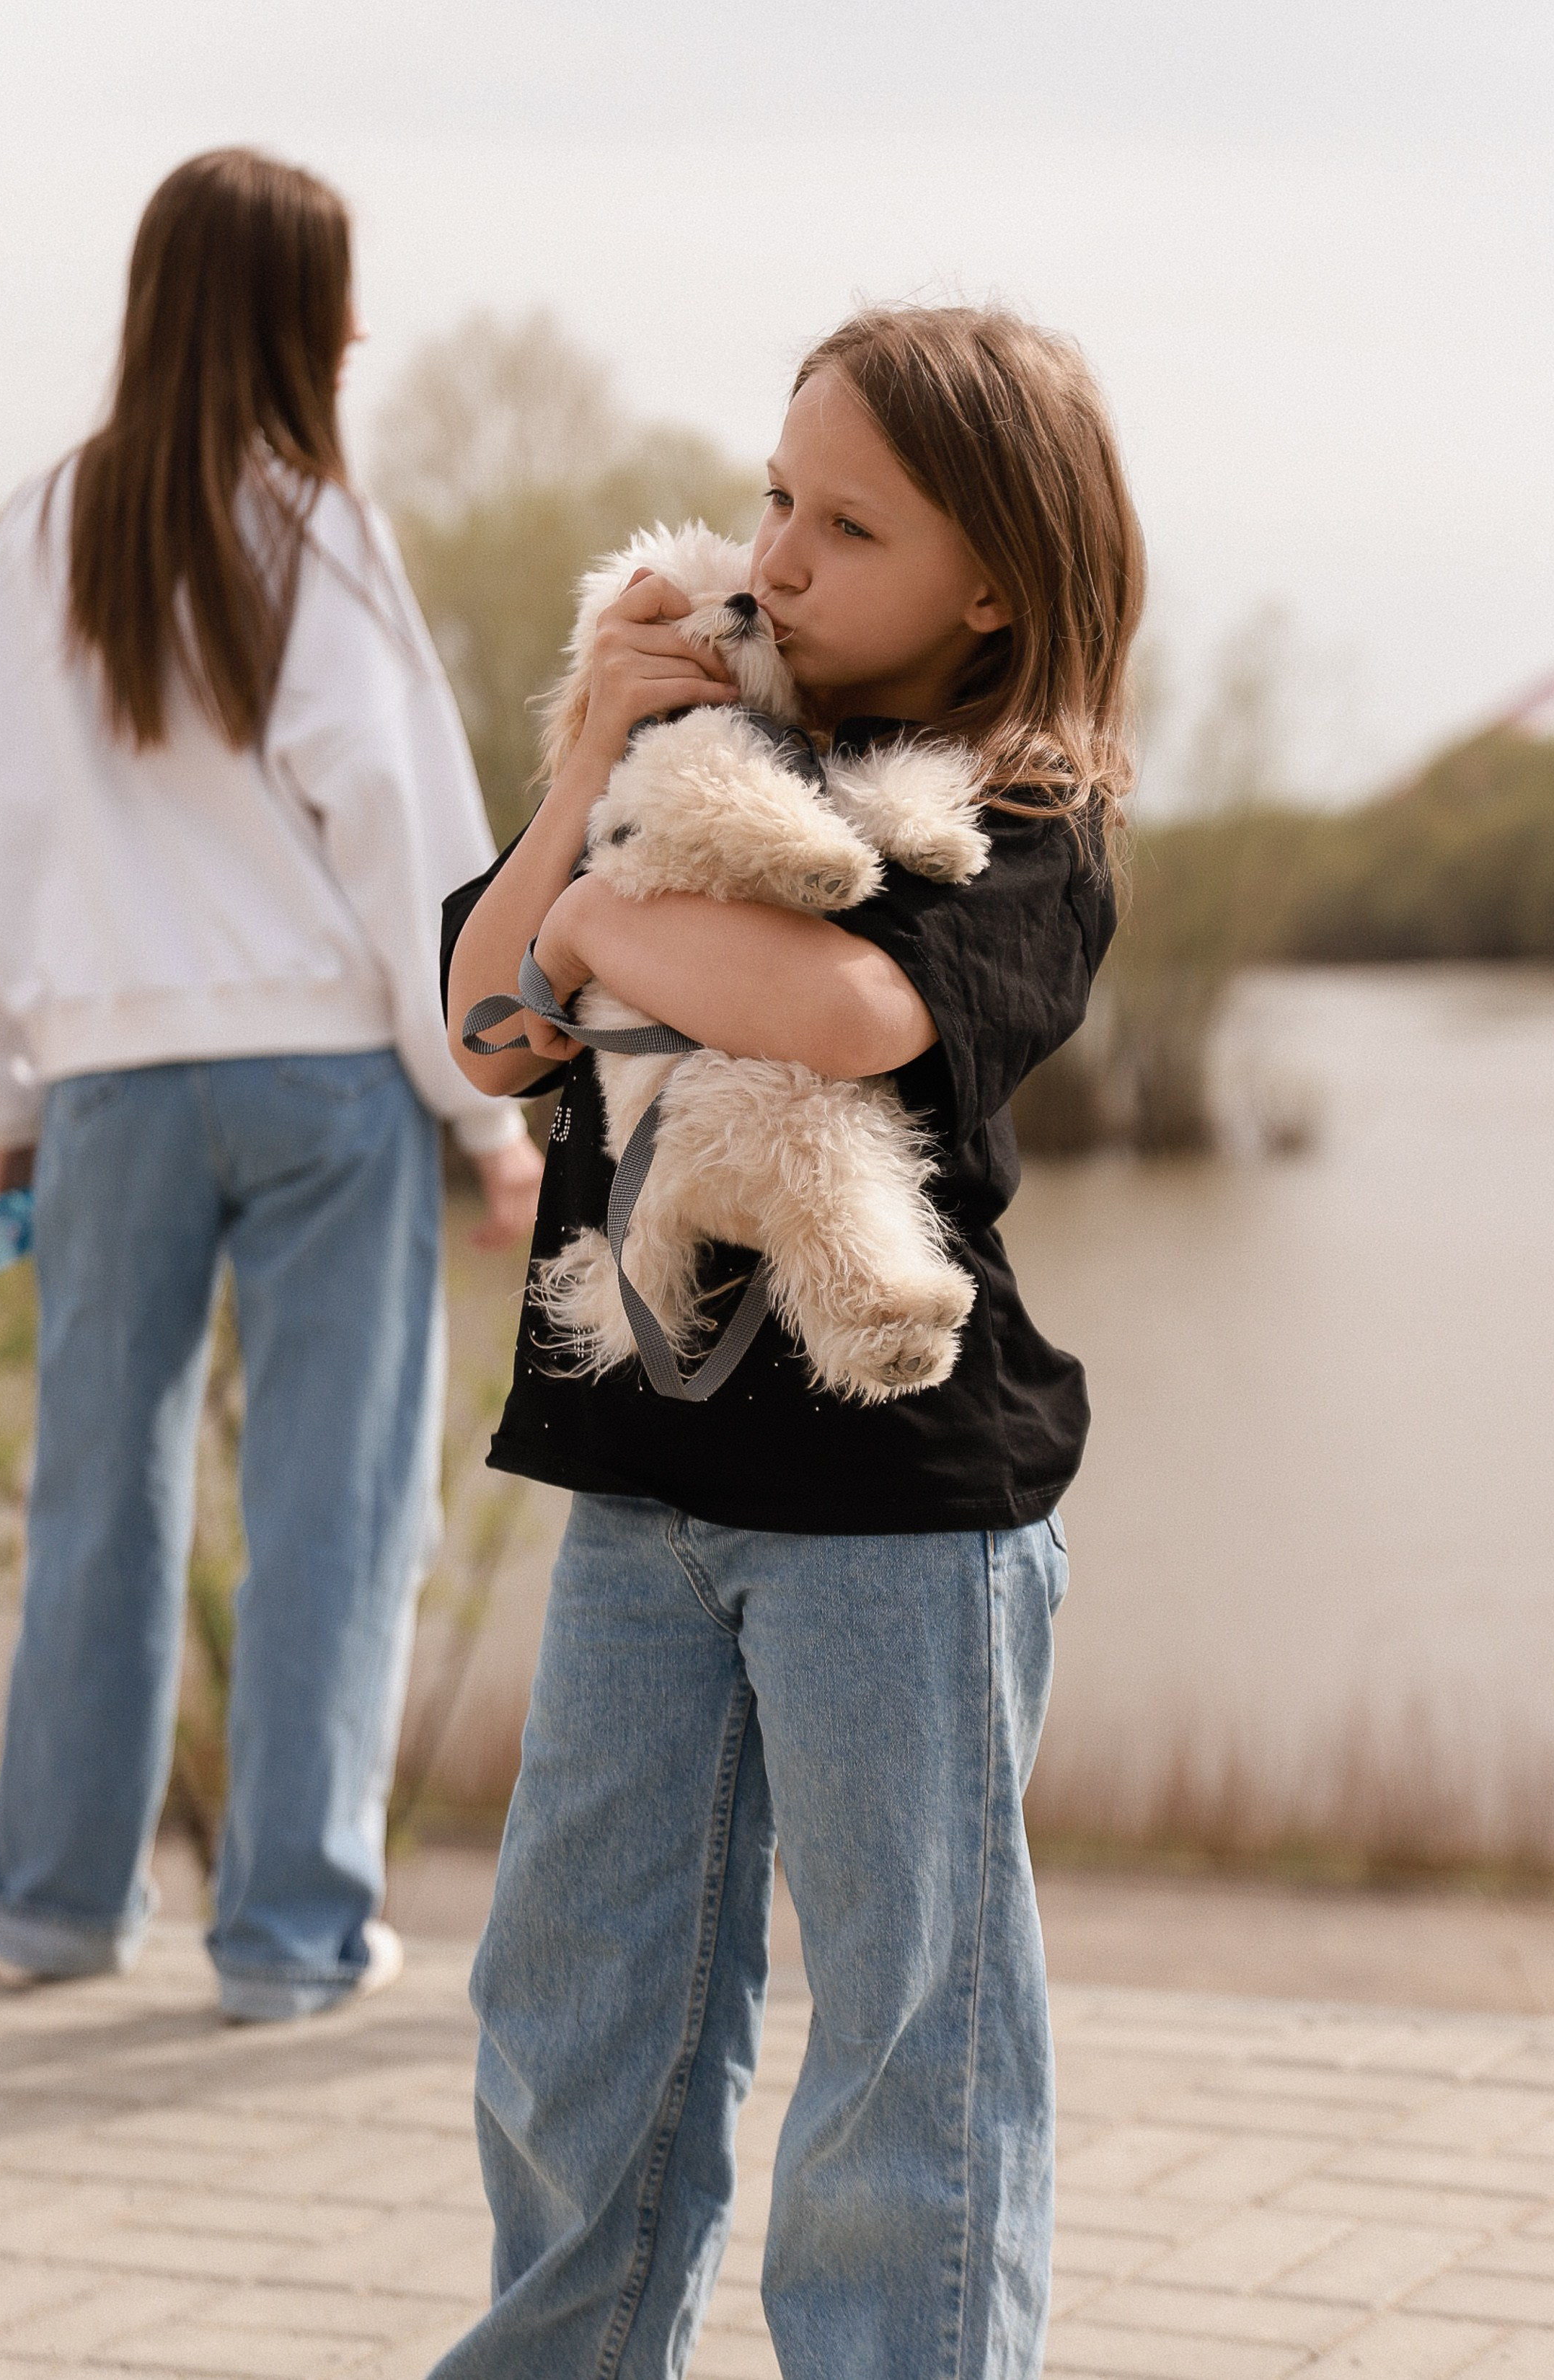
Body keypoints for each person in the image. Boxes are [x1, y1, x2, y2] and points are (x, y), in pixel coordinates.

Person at [435, 306, 1144, 2378]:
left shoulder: (1020, 819)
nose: (783, 557)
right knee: (576, 2016)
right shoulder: (670, 756)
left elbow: (831, 1009)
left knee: (904, 2065)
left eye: (852, 524)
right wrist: (578, 786)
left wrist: (588, 928)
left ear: (994, 583)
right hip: (641, 1488)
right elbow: (487, 1031)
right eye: (775, 498)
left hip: (896, 1515)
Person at [0, 149, 542, 2022]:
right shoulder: (322, 532)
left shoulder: (42, 529)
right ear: (300, 314)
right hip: (325, 1086)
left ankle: (48, 1908)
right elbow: (411, 843)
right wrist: (487, 1110)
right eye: (342, 292)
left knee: (97, 1502)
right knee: (333, 1507)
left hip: (104, 1089)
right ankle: (283, 1938)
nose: (360, 327)